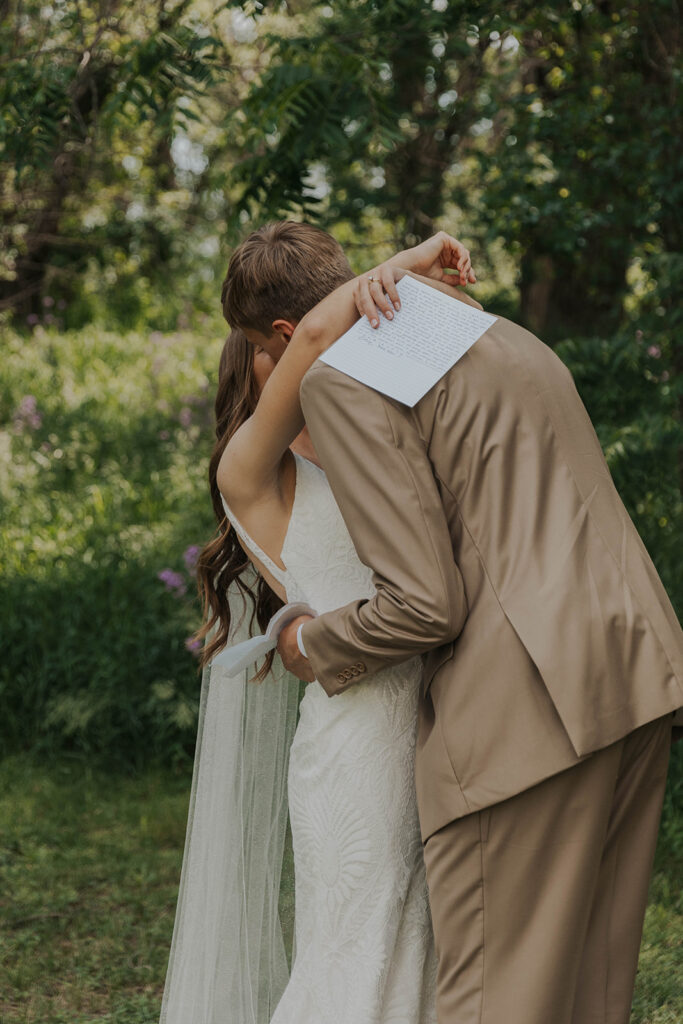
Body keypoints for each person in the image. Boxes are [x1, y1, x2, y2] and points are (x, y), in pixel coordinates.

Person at [220, 221, 683, 1024]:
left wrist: (305, 644)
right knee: (588, 995)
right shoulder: (495, 335)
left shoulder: (343, 380)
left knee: (490, 1004)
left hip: (524, 710)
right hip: (633, 668)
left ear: (287, 336)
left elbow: (425, 602)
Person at [162, 229, 478, 1024]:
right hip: (355, 743)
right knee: (352, 954)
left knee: (423, 950)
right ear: (270, 355)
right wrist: (404, 260)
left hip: (439, 719)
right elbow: (310, 332)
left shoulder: (371, 445)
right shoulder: (250, 472)